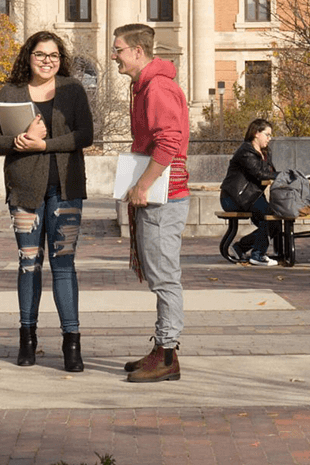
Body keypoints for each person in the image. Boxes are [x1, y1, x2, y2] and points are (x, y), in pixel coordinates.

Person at [0, 31, 94, 373]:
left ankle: (72, 343)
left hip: (66, 189)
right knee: (28, 263)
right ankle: (27, 338)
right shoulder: (11, 92)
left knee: (64, 265)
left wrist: (44, 146)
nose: (47, 61)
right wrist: (19, 141)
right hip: (24, 191)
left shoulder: (72, 90)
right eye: (40, 54)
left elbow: (85, 136)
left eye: (54, 56)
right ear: (28, 56)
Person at [112, 23, 190, 383]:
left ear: (138, 52)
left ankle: (168, 355)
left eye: (119, 50)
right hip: (162, 196)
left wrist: (143, 184)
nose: (115, 56)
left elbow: (169, 141)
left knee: (165, 279)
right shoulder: (145, 86)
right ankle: (162, 347)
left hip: (164, 198)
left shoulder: (156, 87)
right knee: (161, 277)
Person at [220, 119, 279, 266]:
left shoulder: (266, 152)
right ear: (256, 133)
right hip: (235, 198)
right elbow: (259, 174)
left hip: (252, 197)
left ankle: (241, 247)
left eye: (270, 135)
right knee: (269, 216)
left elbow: (270, 172)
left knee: (275, 222)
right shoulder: (246, 151)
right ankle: (258, 255)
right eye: (267, 134)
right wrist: (283, 175)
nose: (269, 138)